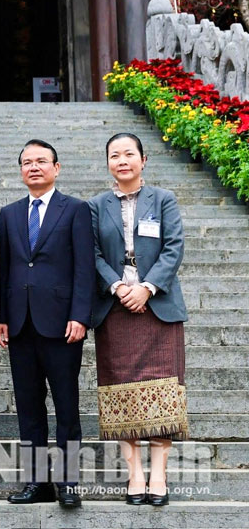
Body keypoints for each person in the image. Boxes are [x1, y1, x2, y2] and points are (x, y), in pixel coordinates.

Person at [89, 133, 188, 507]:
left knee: (163, 393)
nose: (122, 160)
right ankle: (134, 476)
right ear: (108, 163)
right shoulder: (96, 206)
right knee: (122, 393)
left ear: (143, 160)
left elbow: (173, 247)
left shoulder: (163, 199)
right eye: (114, 155)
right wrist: (118, 287)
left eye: (129, 153)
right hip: (115, 310)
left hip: (158, 308)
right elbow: (93, 254)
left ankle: (158, 475)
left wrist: (147, 288)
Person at [0, 139, 94, 509]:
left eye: (41, 161)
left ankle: (68, 482)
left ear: (56, 167)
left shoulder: (76, 210)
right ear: (21, 170)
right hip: (20, 325)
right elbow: (3, 268)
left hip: (62, 325)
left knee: (66, 407)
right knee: (28, 408)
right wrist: (1, 317)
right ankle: (36, 483)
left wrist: (80, 315)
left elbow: (85, 267)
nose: (33, 167)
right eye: (27, 162)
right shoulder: (9, 214)